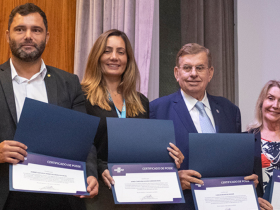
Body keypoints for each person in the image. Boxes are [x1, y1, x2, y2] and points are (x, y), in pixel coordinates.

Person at [0, 3, 98, 210]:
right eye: (20, 29)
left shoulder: (69, 82)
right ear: (8, 35)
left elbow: (83, 139)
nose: (28, 36)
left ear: (47, 37)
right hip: (6, 197)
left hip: (60, 196)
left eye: (36, 30)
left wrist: (90, 173)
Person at [82, 29, 184, 209]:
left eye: (121, 52)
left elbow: (146, 148)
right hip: (100, 190)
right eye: (107, 51)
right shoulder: (82, 96)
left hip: (137, 193)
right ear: (97, 56)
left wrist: (170, 157)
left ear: (128, 59)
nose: (114, 57)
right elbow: (80, 143)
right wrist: (99, 167)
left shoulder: (140, 101)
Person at [149, 43, 258, 210]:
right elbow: (146, 166)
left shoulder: (230, 110)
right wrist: (173, 179)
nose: (194, 74)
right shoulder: (158, 110)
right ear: (177, 73)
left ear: (210, 73)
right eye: (187, 68)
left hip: (226, 204)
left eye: (200, 68)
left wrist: (247, 178)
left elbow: (235, 161)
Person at [247, 80, 280, 210]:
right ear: (261, 102)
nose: (275, 105)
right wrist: (252, 201)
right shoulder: (245, 139)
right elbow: (236, 181)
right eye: (270, 98)